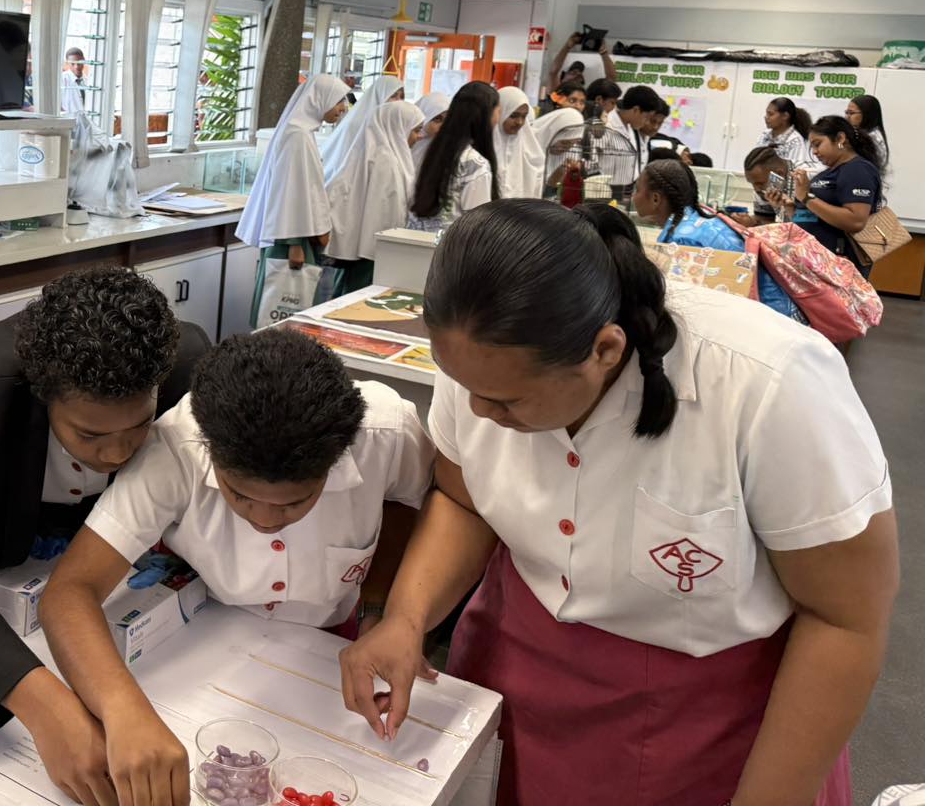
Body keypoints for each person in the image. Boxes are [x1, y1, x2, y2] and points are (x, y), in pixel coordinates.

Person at [339, 199, 896, 806]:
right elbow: (463, 499)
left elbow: (844, 619)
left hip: (707, 720)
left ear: (605, 350)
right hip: (514, 662)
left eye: (506, 401)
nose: (478, 411)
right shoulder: (482, 358)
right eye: (464, 386)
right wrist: (406, 620)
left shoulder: (768, 382)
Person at [42, 328, 434, 806]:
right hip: (214, 635)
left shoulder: (387, 432)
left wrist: (380, 612)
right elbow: (69, 593)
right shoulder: (175, 448)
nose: (265, 520)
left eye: (294, 503)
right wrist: (124, 711)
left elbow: (410, 503)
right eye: (240, 496)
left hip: (337, 638)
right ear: (208, 450)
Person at [0, 269, 208, 805]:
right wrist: (46, 706)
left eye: (138, 426)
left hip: (95, 541)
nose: (117, 454)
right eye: (89, 433)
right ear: (42, 396)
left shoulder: (185, 363)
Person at [237, 75, 350, 320]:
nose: (343, 108)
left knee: (286, 305)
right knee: (280, 305)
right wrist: (295, 244)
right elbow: (288, 191)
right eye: (338, 100)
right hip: (291, 237)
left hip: (296, 232)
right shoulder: (297, 135)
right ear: (319, 98)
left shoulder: (302, 132)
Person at [632, 157, 802, 320]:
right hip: (781, 309)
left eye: (637, 190)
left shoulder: (683, 240)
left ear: (655, 199)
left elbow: (689, 309)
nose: (633, 196)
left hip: (770, 317)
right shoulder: (703, 219)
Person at [325, 99, 425, 292]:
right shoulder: (386, 161)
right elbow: (386, 214)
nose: (419, 136)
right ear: (398, 127)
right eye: (415, 130)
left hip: (362, 247)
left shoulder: (372, 152)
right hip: (374, 251)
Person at [784, 115, 883, 263]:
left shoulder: (857, 169)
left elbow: (856, 221)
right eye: (812, 147)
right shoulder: (829, 172)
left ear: (840, 139)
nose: (814, 152)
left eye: (817, 144)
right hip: (813, 257)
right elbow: (815, 217)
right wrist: (792, 208)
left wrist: (806, 197)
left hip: (838, 262)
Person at [406, 81, 498, 232]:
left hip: (419, 237)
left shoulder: (437, 150)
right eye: (498, 111)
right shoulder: (473, 162)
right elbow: (477, 222)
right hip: (451, 241)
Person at [320, 75, 404, 182]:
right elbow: (344, 165)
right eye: (393, 96)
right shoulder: (358, 124)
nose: (398, 101)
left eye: (402, 97)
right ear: (380, 95)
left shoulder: (392, 125)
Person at [743, 144, 819, 230]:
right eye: (752, 183)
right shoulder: (760, 185)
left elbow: (811, 225)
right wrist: (751, 221)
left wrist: (789, 208)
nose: (756, 189)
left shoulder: (810, 177)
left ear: (780, 173)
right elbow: (765, 219)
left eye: (760, 183)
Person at [492, 87, 544, 199]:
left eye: (524, 116)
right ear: (500, 112)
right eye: (513, 115)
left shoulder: (530, 150)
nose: (519, 122)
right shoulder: (485, 145)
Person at [603, 85, 667, 172]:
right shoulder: (607, 125)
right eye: (646, 117)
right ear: (636, 110)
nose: (646, 122)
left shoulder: (630, 128)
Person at [757, 97, 813, 168]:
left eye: (770, 114)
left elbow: (793, 169)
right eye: (766, 113)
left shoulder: (795, 141)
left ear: (785, 116)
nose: (766, 117)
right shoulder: (765, 135)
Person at [409, 90, 451, 168]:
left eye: (447, 120)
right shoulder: (406, 139)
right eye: (437, 119)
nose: (444, 126)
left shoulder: (447, 146)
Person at [845, 94, 889, 169]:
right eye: (846, 112)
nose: (847, 117)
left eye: (851, 113)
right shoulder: (862, 134)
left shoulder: (871, 138)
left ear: (867, 114)